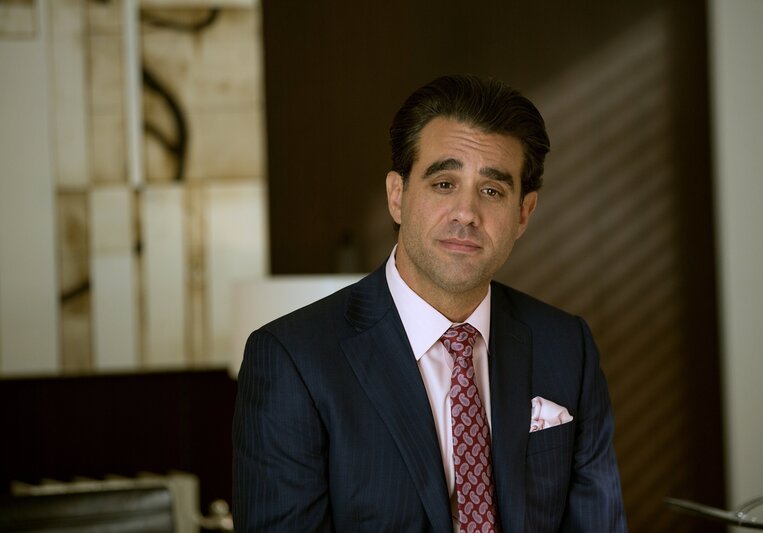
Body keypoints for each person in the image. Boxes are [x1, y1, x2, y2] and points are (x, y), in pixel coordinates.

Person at [233, 74, 627, 532]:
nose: (466, 213)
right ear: (397, 196)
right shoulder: (293, 359)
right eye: (443, 184)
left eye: (492, 190)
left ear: (523, 213)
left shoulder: (567, 346)